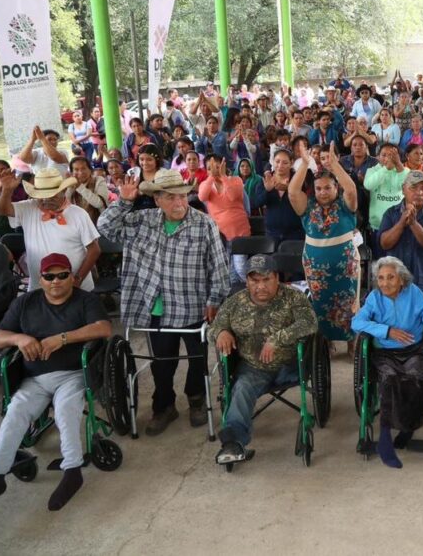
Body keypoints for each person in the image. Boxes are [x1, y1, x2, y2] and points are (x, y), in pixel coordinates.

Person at [97, 169, 230, 435]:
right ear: (157, 199)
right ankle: (164, 406)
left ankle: (196, 399)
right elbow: (105, 227)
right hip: (156, 308)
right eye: (170, 197)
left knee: (197, 360)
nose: (178, 203)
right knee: (162, 362)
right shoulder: (141, 221)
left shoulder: (204, 224)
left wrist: (216, 299)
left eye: (182, 196)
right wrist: (123, 202)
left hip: (192, 305)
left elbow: (219, 266)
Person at [0, 253, 112, 512]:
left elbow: (103, 328)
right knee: (15, 411)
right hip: (34, 377)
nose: (56, 281)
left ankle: (72, 470)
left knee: (66, 410)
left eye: (62, 275)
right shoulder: (26, 302)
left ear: (71, 277)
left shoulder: (85, 300)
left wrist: (62, 338)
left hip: (73, 372)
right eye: (49, 276)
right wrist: (20, 339)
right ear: (41, 280)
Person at [210, 255, 317, 466]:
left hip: (291, 364)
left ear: (277, 278)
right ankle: (234, 443)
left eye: (266, 279)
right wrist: (221, 332)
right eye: (254, 280)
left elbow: (309, 323)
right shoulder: (235, 302)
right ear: (247, 281)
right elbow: (215, 325)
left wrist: (278, 339)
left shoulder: (293, 298)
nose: (260, 286)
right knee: (240, 388)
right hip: (254, 368)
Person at [352, 256, 423, 469]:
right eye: (381, 278)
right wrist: (387, 331)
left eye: (390, 277)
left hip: (414, 350)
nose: (385, 283)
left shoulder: (413, 292)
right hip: (385, 352)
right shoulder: (375, 298)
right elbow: (357, 322)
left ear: (402, 279)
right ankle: (385, 436)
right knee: (389, 379)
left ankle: (407, 429)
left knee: (414, 377)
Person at [288, 144, 359, 344]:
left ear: (336, 187)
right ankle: (324, 342)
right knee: (319, 305)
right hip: (316, 269)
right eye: (318, 188)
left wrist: (335, 166)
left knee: (349, 303)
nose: (323, 192)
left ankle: (351, 341)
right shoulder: (308, 206)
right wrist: (304, 164)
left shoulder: (345, 205)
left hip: (345, 266)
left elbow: (352, 190)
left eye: (328, 187)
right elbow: (293, 192)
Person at [0, 167, 100, 292]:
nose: (46, 199)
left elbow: (94, 250)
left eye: (52, 195)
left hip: (76, 288)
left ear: (64, 191)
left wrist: (78, 279)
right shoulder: (29, 207)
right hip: (39, 287)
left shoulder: (79, 214)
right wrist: (6, 191)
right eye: (41, 196)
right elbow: (3, 210)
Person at [378, 170, 423, 303]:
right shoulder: (391, 214)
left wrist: (413, 223)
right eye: (413, 187)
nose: (419, 192)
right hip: (397, 281)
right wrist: (402, 222)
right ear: (403, 189)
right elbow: (384, 243)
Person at [364, 143, 409, 231]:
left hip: (399, 223)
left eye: (391, 155)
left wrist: (398, 164)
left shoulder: (405, 171)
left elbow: (405, 186)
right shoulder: (372, 170)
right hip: (377, 225)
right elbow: (368, 185)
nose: (388, 158)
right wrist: (386, 169)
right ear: (378, 157)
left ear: (398, 157)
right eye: (384, 155)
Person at [66, 156, 109, 224]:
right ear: (72, 173)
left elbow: (99, 203)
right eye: (76, 169)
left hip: (99, 225)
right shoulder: (72, 184)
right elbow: (66, 205)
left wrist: (79, 187)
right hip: (78, 225)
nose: (80, 172)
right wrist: (70, 187)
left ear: (90, 170)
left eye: (83, 168)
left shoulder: (99, 180)